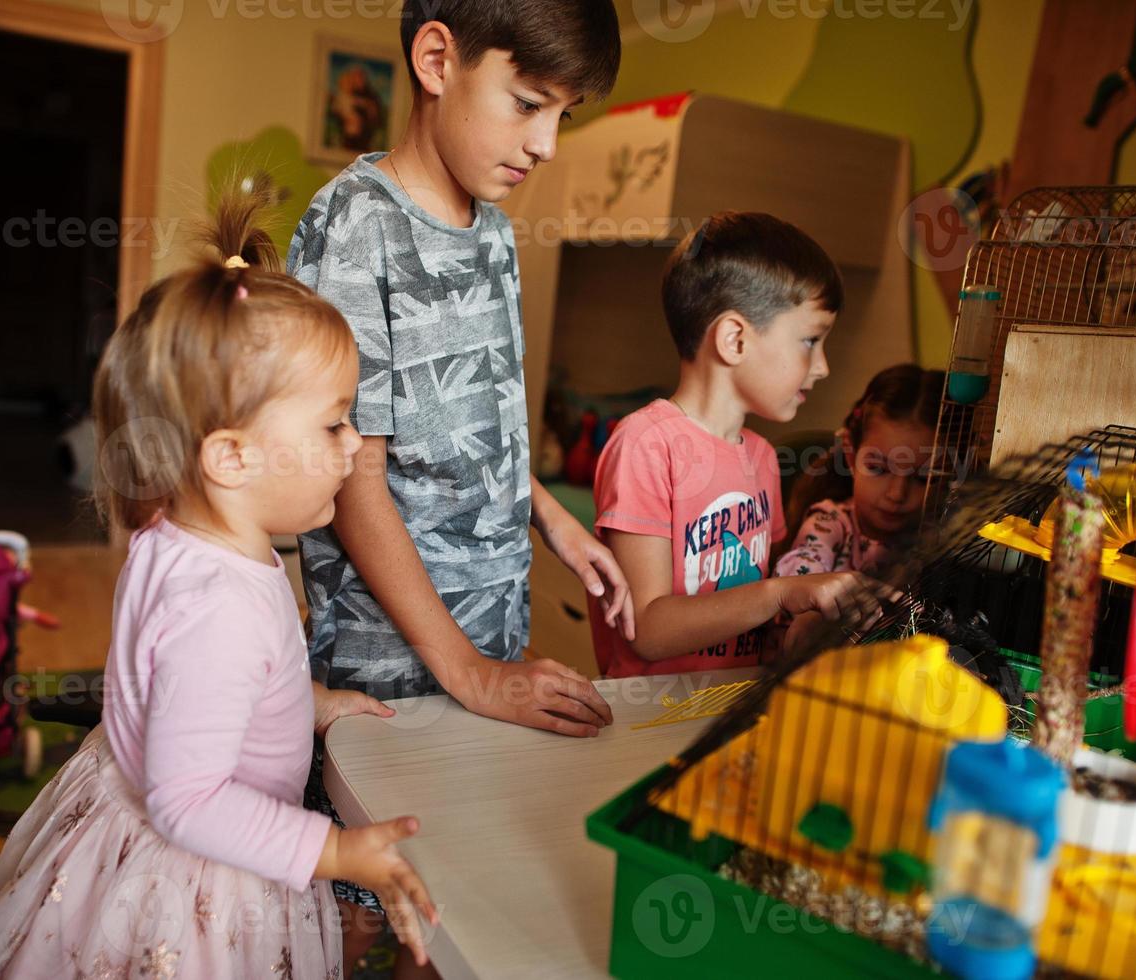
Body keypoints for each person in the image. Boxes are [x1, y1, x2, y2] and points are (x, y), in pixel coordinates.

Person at [0, 186, 436, 980]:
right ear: (231, 457)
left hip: (124, 802)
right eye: (332, 423)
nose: (353, 447)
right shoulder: (220, 605)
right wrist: (333, 849)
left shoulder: (182, 536)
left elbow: (203, 690)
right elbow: (189, 802)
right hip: (187, 873)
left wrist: (308, 705)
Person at [287, 1, 628, 972]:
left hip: (489, 627)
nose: (547, 143)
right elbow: (357, 481)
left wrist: (555, 520)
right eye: (528, 104)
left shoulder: (491, 230)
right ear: (437, 57)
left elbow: (474, 419)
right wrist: (468, 672)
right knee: (367, 895)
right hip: (388, 660)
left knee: (451, 887)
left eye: (563, 114)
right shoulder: (357, 227)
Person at [589, 211, 882, 679]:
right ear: (734, 339)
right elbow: (646, 629)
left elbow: (753, 618)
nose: (822, 366)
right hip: (643, 718)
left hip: (725, 703)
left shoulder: (763, 458)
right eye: (810, 340)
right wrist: (781, 594)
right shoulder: (646, 445)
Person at [776, 363, 943, 578]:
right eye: (878, 469)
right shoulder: (830, 524)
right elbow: (799, 577)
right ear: (851, 455)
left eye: (924, 478)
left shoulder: (939, 533)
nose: (897, 494)